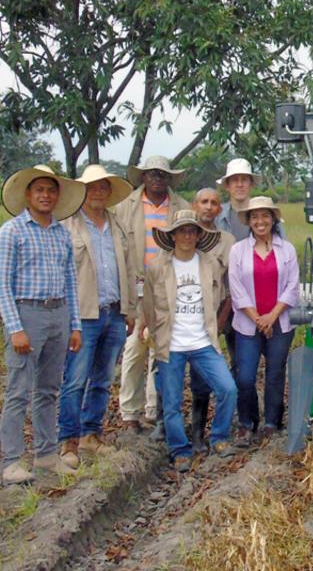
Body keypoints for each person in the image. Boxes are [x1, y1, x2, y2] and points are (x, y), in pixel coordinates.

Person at [0, 165, 85, 483]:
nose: (46, 195)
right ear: (28, 195)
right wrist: (15, 328)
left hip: (58, 313)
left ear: (58, 196)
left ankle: (46, 455)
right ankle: (12, 461)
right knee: (18, 390)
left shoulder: (61, 234)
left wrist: (75, 325)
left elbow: (71, 282)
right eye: (39, 190)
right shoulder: (12, 232)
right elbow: (2, 284)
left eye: (51, 190)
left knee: (48, 389)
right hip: (26, 314)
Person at [142, 210, 237, 472]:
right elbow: (149, 306)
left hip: (203, 343)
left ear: (198, 235)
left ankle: (219, 436)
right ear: (172, 235)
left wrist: (216, 327)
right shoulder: (158, 267)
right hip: (171, 345)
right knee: (171, 403)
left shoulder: (210, 264)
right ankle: (180, 449)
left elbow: (222, 296)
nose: (186, 235)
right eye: (181, 230)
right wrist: (153, 332)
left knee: (228, 388)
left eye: (191, 231)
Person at [57, 165, 137, 469]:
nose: (98, 192)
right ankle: (69, 441)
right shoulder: (68, 226)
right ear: (82, 191)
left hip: (114, 313)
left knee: (103, 380)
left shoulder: (116, 226)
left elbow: (128, 270)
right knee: (75, 379)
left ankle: (92, 434)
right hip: (83, 316)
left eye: (103, 187)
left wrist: (129, 310)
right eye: (92, 187)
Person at [115, 156, 189, 433]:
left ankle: (151, 409)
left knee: (161, 350)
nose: (157, 178)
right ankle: (129, 412)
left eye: (162, 174)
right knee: (135, 348)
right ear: (143, 177)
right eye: (152, 174)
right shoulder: (125, 208)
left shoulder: (181, 207)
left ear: (169, 178)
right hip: (136, 287)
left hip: (167, 288)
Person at [227, 197, 300, 442]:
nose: (260, 221)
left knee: (275, 374)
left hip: (279, 322)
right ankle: (247, 421)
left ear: (273, 219)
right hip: (248, 324)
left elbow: (292, 286)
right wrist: (258, 318)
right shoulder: (238, 250)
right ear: (248, 221)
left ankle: (272, 422)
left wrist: (272, 316)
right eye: (255, 217)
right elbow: (236, 289)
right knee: (245, 376)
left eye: (265, 216)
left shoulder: (286, 249)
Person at [187, 187, 235, 453]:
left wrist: (219, 323)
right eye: (203, 202)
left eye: (214, 203)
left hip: (213, 319)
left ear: (219, 210)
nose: (208, 207)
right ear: (195, 206)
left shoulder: (227, 241)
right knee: (168, 378)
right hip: (183, 320)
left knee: (208, 378)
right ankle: (189, 434)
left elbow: (230, 288)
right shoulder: (181, 236)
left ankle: (214, 434)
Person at [215, 158, 260, 242]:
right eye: (235, 180)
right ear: (227, 186)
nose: (239, 185)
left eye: (244, 180)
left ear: (251, 184)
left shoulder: (267, 213)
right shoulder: (216, 215)